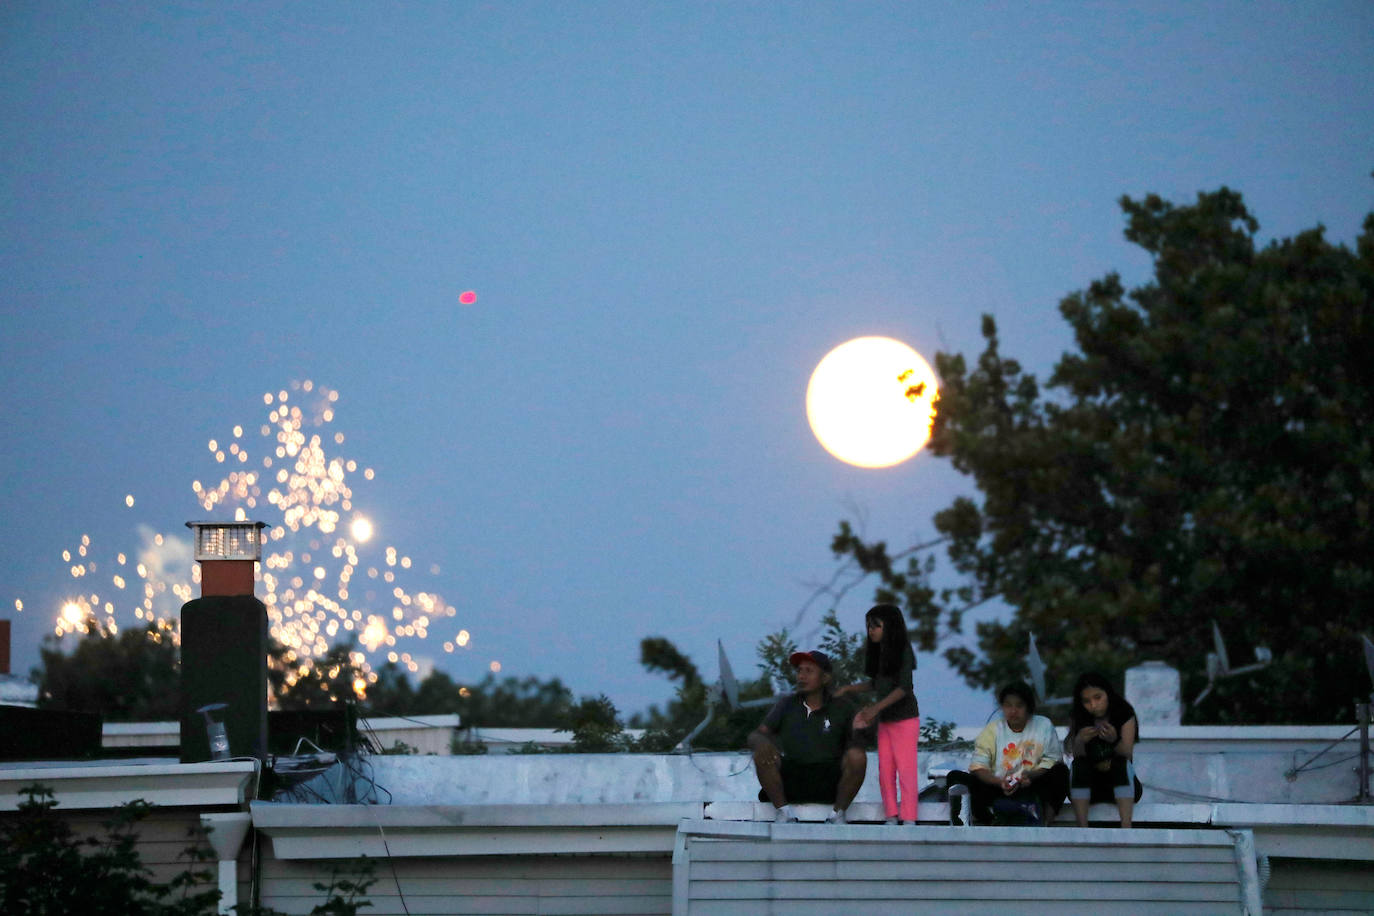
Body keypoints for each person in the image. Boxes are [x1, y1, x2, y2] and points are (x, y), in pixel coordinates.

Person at [748, 649, 867, 824]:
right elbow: (756, 734)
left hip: (830, 780)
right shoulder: (786, 704)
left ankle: (837, 815)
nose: (801, 677)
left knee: (857, 756)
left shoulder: (843, 707)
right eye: (799, 671)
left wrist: (865, 727)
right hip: (794, 779)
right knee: (761, 752)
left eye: (809, 671)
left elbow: (860, 743)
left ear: (825, 678)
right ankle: (784, 814)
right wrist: (761, 742)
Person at [836, 604, 920, 824]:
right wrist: (849, 688)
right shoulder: (879, 654)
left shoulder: (903, 650)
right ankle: (891, 815)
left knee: (906, 769)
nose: (871, 630)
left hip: (905, 718)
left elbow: (903, 688)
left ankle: (909, 816)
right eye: (868, 626)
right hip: (886, 721)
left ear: (890, 627)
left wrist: (875, 709)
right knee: (885, 770)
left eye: (876, 625)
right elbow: (876, 684)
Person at [946, 682, 1069, 826]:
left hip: (1031, 785)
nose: (1013, 711)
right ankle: (990, 820)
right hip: (1000, 786)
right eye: (1008, 705)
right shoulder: (993, 730)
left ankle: (1046, 822)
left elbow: (1052, 760)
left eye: (1019, 705)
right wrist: (999, 782)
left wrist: (1030, 775)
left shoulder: (1043, 725)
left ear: (1028, 707)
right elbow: (979, 766)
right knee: (955, 777)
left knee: (1061, 772)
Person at [1066, 671, 1142, 827]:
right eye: (1087, 701)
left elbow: (1127, 753)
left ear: (1108, 694)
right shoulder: (1079, 715)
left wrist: (1114, 740)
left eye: (1098, 697)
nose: (1093, 705)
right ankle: (1082, 827)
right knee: (1078, 767)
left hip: (1120, 783)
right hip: (1090, 784)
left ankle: (1126, 827)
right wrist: (1080, 740)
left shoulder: (1123, 712)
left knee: (1121, 765)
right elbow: (1076, 755)